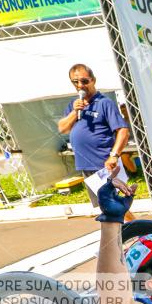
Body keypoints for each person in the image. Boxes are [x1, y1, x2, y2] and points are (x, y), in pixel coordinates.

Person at [57, 63, 130, 209]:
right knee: (104, 205)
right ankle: (122, 231)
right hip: (86, 164)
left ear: (93, 80)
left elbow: (123, 131)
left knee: (115, 205)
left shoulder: (104, 103)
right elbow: (63, 128)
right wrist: (74, 112)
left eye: (84, 81)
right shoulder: (74, 104)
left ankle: (138, 230)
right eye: (75, 82)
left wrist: (114, 155)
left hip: (103, 163)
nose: (80, 85)